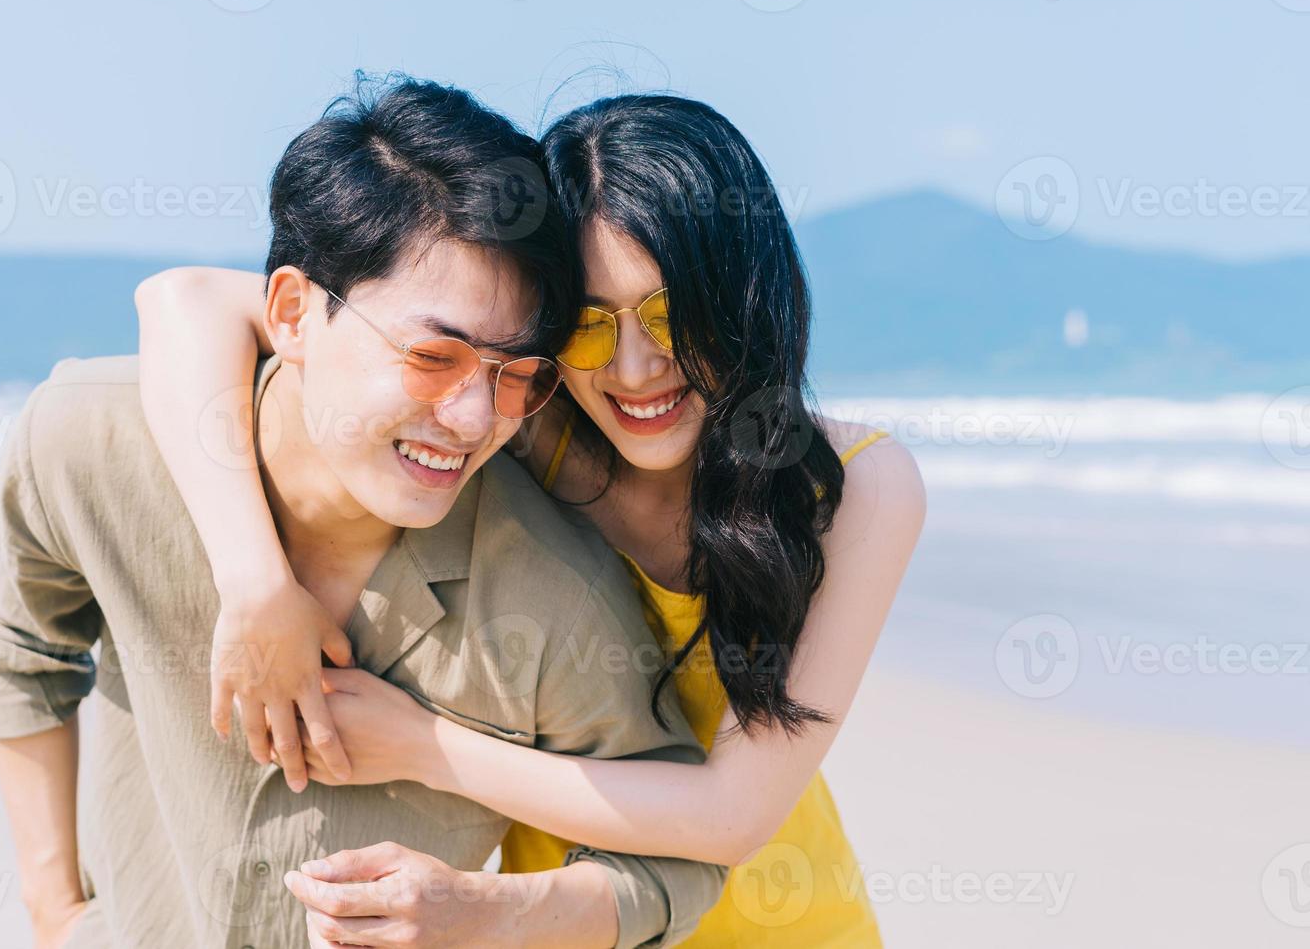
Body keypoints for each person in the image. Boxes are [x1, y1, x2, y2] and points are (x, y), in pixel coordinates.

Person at [136, 92, 926, 946]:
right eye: (589, 326)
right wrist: (253, 583)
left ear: (741, 294)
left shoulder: (848, 487)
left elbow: (731, 816)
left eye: (671, 314)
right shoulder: (516, 416)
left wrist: (417, 744)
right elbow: (185, 302)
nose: (635, 367)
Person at [0, 76, 725, 949]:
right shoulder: (85, 442)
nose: (476, 421)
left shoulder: (555, 596)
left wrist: (485, 917)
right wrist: (54, 912)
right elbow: (15, 650)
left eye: (515, 375)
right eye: (434, 355)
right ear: (292, 312)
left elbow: (679, 860)